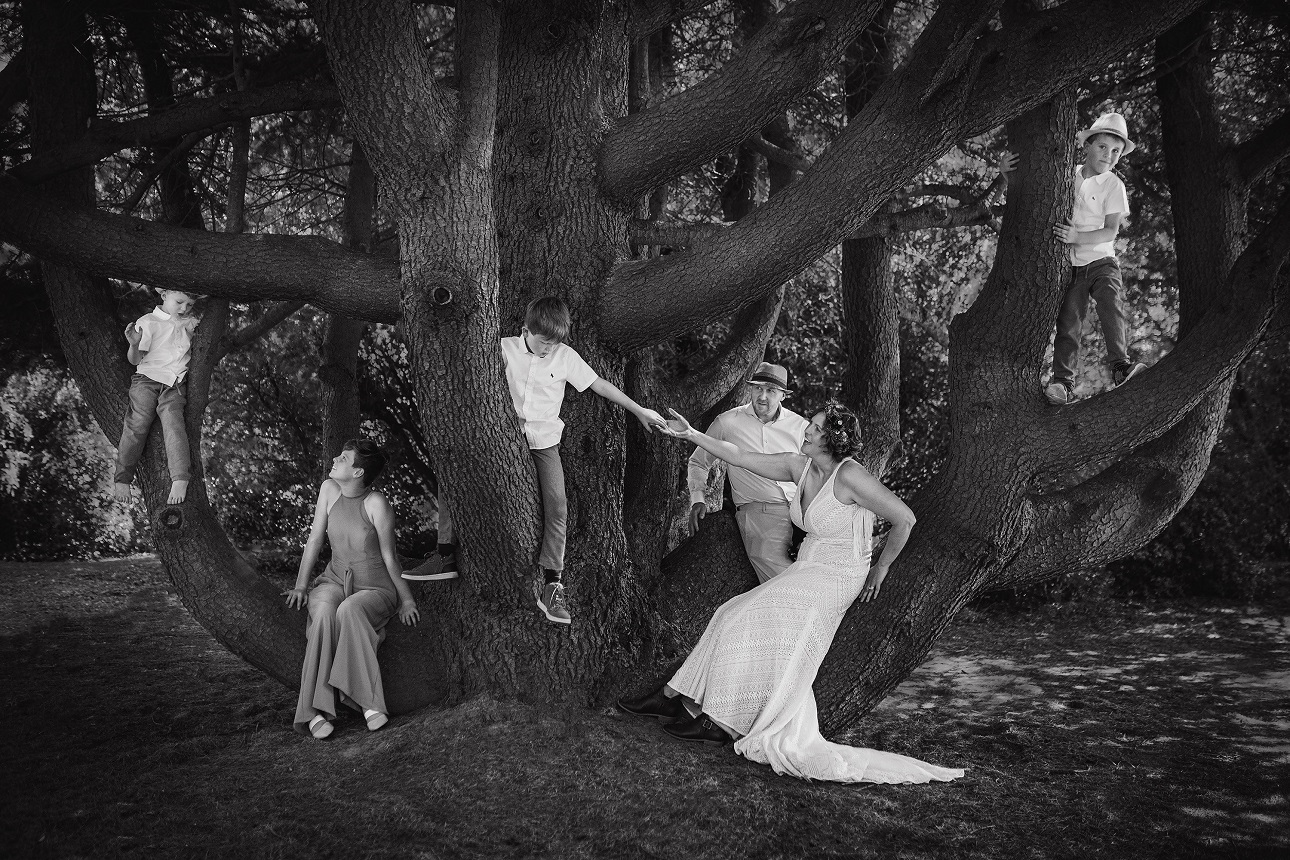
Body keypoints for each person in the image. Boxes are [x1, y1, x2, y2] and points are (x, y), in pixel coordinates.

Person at [619, 403, 963, 784]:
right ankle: (672, 698)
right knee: (730, 613)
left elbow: (905, 518)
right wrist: (691, 435)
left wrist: (880, 568)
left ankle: (723, 723)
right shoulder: (799, 467)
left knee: (752, 618)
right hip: (808, 566)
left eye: (814, 429)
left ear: (832, 440)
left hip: (839, 574)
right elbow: (740, 455)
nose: (806, 432)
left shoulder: (850, 476)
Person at [406, 296, 669, 627]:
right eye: (544, 342)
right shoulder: (502, 348)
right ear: (527, 330)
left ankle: (552, 584)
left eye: (554, 343)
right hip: (503, 438)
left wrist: (640, 410)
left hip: (544, 443)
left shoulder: (565, 356)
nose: (548, 349)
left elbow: (599, 384)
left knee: (558, 506)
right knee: (453, 475)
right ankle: (444, 555)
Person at [285, 439, 420, 739]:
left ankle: (368, 703)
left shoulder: (376, 504)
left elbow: (390, 557)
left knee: (349, 610)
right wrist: (300, 585)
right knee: (322, 613)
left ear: (358, 472)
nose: (335, 458)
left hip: (374, 588)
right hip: (334, 580)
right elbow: (315, 540)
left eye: (344, 458)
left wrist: (407, 599)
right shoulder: (328, 490)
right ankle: (313, 711)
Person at [1042, 111, 1146, 405]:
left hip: (1102, 262)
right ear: (1086, 146)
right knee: (1069, 323)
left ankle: (1120, 367)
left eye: (1116, 151)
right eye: (1103, 147)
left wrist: (1077, 237)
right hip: (1072, 266)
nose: (1110, 155)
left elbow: (1110, 231)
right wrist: (1007, 174)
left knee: (1111, 306)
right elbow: (1033, 194)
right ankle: (1063, 383)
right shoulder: (1067, 174)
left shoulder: (1114, 185)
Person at [685, 362, 808, 583]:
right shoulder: (727, 422)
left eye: (771, 391)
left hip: (804, 515)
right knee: (786, 583)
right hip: (760, 514)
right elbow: (698, 462)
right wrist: (697, 499)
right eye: (757, 388)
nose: (762, 396)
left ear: (783, 395)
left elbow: (818, 472)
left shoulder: (800, 427)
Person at [112, 288, 204, 505]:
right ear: (164, 296)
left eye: (189, 305)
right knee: (137, 424)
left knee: (174, 425)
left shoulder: (189, 323)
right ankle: (123, 479)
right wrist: (134, 344)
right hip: (148, 379)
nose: (184, 308)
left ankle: (180, 477)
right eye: (180, 302)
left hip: (175, 383)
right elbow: (135, 361)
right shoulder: (148, 322)